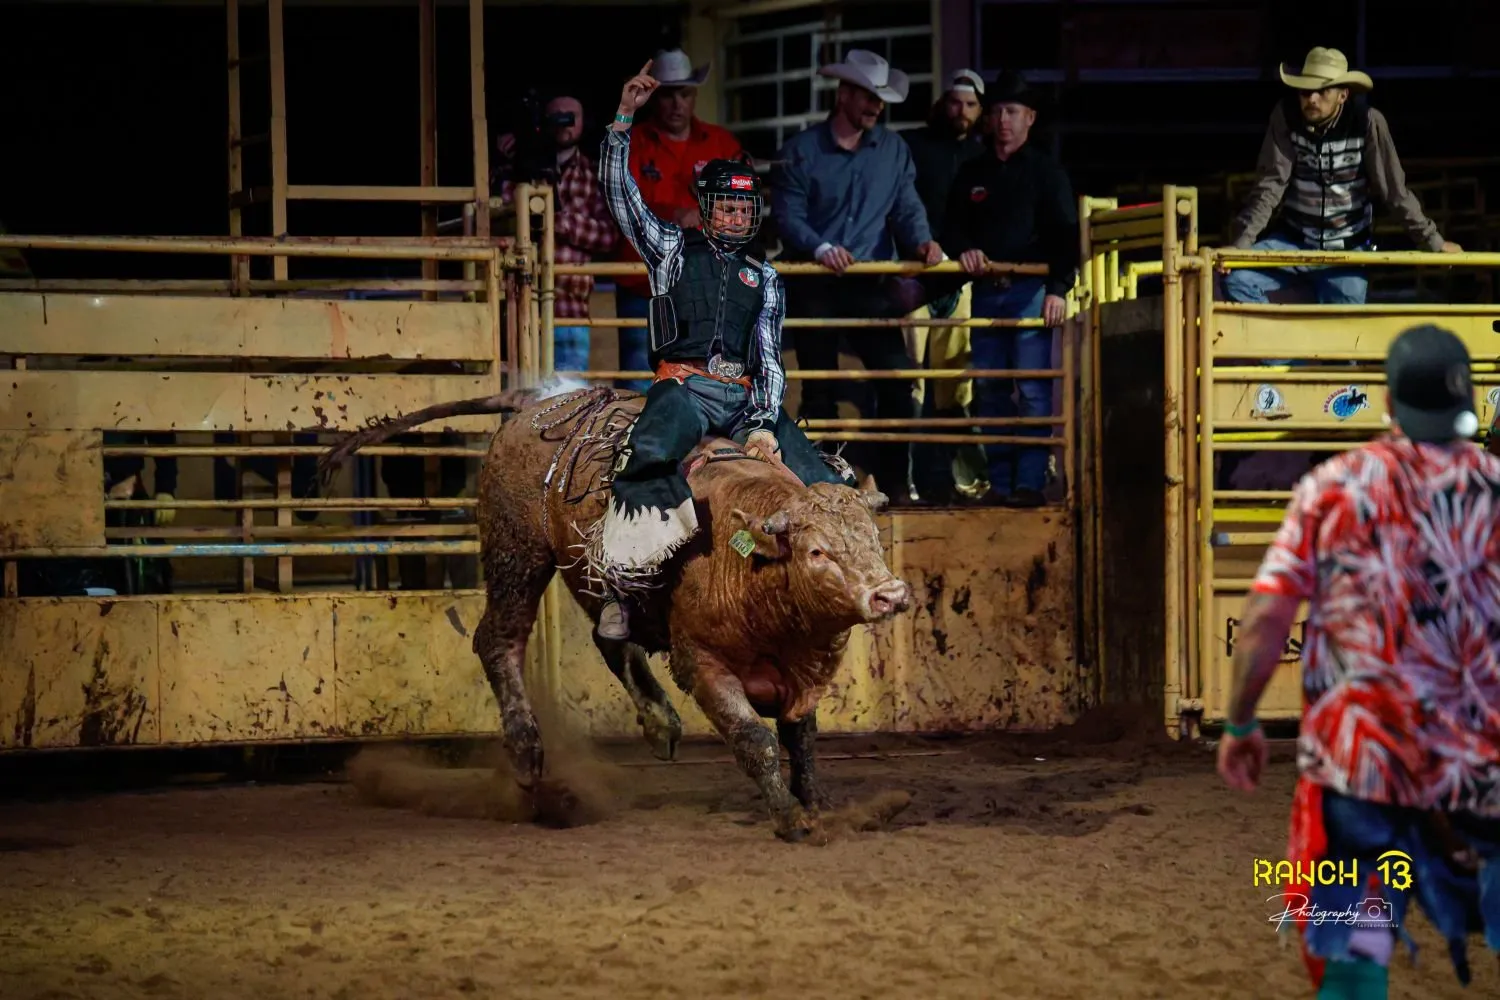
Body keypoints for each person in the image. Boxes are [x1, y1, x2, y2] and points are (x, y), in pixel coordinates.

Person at [1217, 323, 1500, 998]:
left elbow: (1266, 618)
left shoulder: (1334, 486)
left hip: (1363, 762)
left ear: (1388, 400)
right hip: (1479, 759)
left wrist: (1240, 722)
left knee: (1353, 945)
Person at [593, 59, 852, 642]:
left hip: (742, 399)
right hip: (682, 388)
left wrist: (762, 423)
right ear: (707, 208)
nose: (735, 217)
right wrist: (623, 119)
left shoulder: (766, 278)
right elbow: (620, 196)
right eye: (726, 207)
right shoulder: (669, 248)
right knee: (646, 454)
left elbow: (770, 361)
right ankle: (624, 587)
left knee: (822, 479)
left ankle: (836, 584)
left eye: (743, 208)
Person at [771, 48, 944, 504]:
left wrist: (923, 242)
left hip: (870, 282)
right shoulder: (801, 151)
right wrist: (821, 246)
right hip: (815, 281)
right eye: (868, 96)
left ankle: (894, 484)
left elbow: (906, 207)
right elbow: (787, 215)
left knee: (896, 379)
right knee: (819, 388)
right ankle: (820, 487)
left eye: (879, 99)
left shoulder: (893, 150)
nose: (876, 106)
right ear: (844, 94)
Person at [1222, 47, 1460, 306]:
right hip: (1293, 241)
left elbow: (1394, 191)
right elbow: (1270, 185)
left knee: (1345, 320)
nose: (1312, 99)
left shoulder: (1367, 122)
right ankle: (1278, 332)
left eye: (1322, 91)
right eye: (1305, 91)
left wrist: (1433, 242)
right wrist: (1241, 245)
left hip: (1347, 250)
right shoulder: (1286, 117)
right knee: (1236, 278)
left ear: (1342, 95)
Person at [942, 71, 1077, 507]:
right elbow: (951, 227)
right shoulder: (972, 172)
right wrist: (964, 249)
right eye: (998, 110)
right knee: (991, 388)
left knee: (1033, 390)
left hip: (1030, 289)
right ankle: (1002, 484)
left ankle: (1028, 484)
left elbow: (1066, 235)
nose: (1003, 119)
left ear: (1029, 118)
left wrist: (1057, 288)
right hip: (988, 290)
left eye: (1012, 111)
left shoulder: (1046, 172)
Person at [607, 48, 744, 393]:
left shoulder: (721, 143)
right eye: (668, 95)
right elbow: (617, 196)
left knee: (705, 379)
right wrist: (673, 214)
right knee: (640, 375)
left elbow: (745, 204)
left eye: (684, 94)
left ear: (694, 94)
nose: (677, 104)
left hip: (707, 283)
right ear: (655, 98)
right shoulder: (634, 141)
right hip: (642, 282)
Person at [901, 69, 990, 504]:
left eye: (971, 105)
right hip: (914, 278)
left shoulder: (983, 156)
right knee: (911, 385)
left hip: (959, 282)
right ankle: (907, 480)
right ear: (942, 104)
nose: (962, 111)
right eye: (956, 102)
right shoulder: (914, 147)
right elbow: (901, 206)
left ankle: (962, 481)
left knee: (956, 385)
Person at [493, 92, 619, 372]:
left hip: (570, 309)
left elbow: (610, 235)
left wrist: (565, 224)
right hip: (516, 306)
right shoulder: (518, 170)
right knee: (516, 391)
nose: (564, 123)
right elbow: (496, 220)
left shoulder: (594, 174)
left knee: (569, 393)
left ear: (584, 123)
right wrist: (506, 164)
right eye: (556, 117)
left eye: (571, 117)